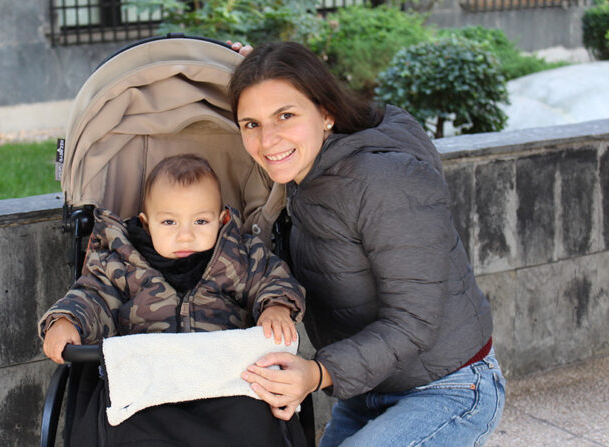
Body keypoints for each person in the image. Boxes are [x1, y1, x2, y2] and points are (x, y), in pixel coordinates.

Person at [229, 41, 505, 446]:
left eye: (285, 115)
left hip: (450, 387)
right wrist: (254, 70)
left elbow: (413, 322)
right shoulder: (302, 176)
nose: (268, 140)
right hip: (368, 389)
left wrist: (317, 373)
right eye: (251, 123)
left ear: (327, 113)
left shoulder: (383, 180)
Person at [39, 153, 306, 446]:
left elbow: (272, 277)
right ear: (146, 222)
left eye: (201, 221)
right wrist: (67, 319)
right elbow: (94, 295)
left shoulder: (239, 255)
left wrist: (277, 306)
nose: (185, 236)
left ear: (222, 219)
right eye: (169, 222)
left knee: (256, 418)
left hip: (227, 388)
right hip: (147, 392)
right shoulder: (123, 262)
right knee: (123, 423)